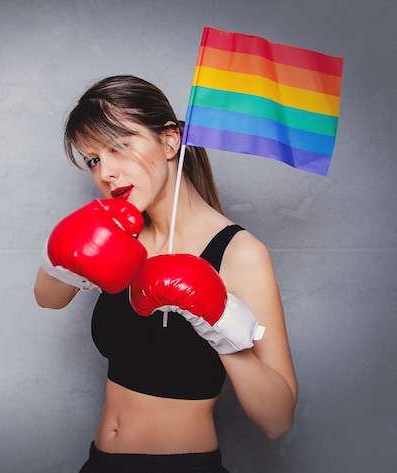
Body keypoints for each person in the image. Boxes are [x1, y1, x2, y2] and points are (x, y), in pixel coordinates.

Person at [34, 75, 297, 473]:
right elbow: (47, 299)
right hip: (100, 462)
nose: (106, 172)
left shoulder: (240, 253)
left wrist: (220, 320)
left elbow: (277, 420)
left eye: (118, 146)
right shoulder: (121, 236)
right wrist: (65, 250)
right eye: (94, 160)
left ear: (170, 140)